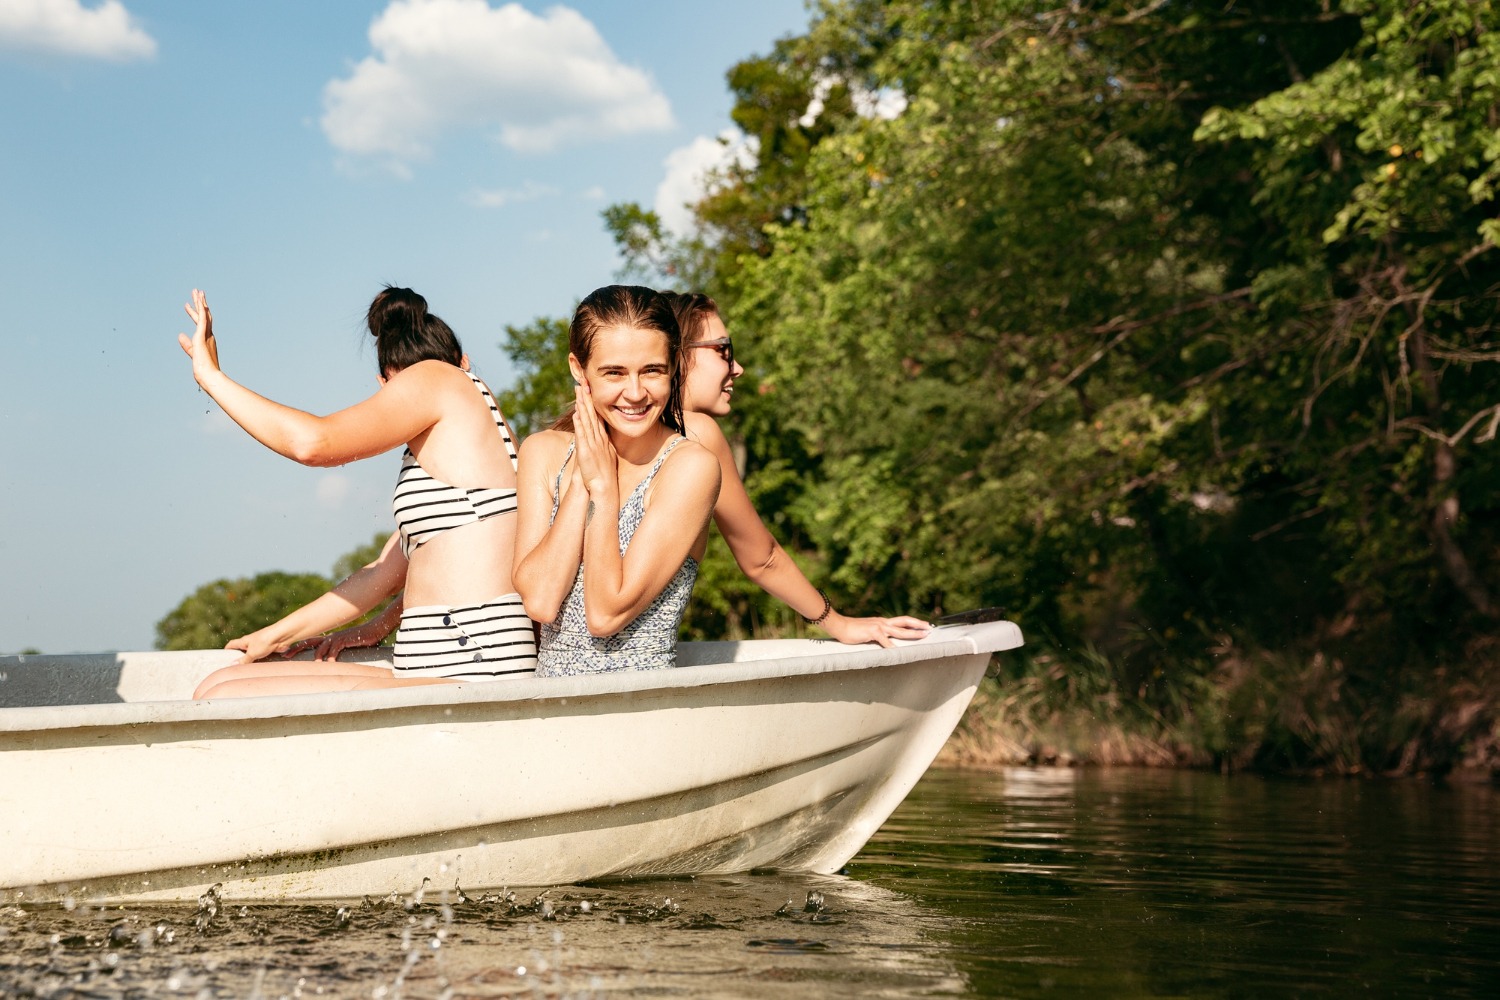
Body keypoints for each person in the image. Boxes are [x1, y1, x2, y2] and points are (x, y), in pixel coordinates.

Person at [178, 286, 536, 698]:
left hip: (473, 666)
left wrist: (211, 377)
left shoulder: (438, 380)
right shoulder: (462, 454)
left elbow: (313, 444)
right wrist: (274, 636)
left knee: (221, 695)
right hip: (440, 661)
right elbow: (383, 574)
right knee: (221, 681)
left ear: (386, 384)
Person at [664, 291, 932, 647]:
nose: (737, 367)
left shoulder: (586, 437)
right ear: (677, 354)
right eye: (723, 350)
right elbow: (762, 559)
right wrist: (840, 624)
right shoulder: (697, 432)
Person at [513, 285, 721, 675]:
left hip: (639, 713)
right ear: (579, 370)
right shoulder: (542, 453)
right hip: (547, 715)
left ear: (674, 365)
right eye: (615, 373)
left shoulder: (690, 466)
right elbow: (540, 601)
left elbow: (606, 613)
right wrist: (582, 481)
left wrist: (605, 494)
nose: (636, 392)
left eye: (652, 370)